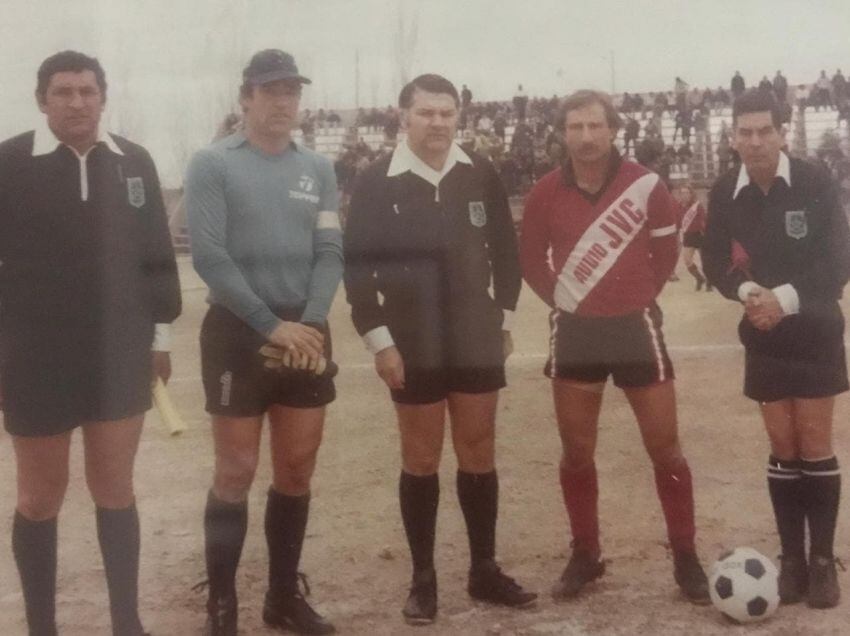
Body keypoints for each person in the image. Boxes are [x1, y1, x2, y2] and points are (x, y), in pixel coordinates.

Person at [344, 73, 536, 625]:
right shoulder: (377, 180)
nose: (437, 123)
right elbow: (357, 272)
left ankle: (483, 568)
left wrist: (503, 318)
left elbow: (505, 248)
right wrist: (380, 342)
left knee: (478, 449)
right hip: (412, 340)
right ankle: (423, 578)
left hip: (475, 335)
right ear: (403, 115)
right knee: (422, 458)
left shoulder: (480, 172)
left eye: (447, 113)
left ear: (459, 116)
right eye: (426, 113)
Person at [0, 50, 181, 636]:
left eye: (86, 91)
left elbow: (158, 258)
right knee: (39, 498)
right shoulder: (8, 162)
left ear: (103, 96)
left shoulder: (135, 161)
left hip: (117, 355)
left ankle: (127, 623)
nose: (77, 102)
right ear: (41, 100)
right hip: (34, 358)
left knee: (114, 488)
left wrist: (160, 334)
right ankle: (41, 629)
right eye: (63, 92)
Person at [520, 89, 710, 604]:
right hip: (576, 331)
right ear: (562, 132)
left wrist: (640, 294)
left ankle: (686, 555)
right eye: (575, 127)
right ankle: (586, 553)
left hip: (635, 329)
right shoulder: (543, 192)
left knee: (665, 448)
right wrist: (561, 299)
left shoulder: (646, 186)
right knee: (577, 452)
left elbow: (668, 249)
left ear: (613, 129)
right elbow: (532, 259)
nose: (585, 136)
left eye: (595, 126)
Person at [186, 49, 342, 636]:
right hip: (237, 329)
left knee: (296, 467)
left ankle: (281, 598)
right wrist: (269, 324)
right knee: (236, 467)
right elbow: (209, 256)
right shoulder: (213, 163)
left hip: (304, 325)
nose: (283, 102)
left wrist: (313, 320)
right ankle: (221, 607)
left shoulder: (318, 169)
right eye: (270, 91)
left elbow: (329, 250)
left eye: (291, 92)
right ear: (245, 97)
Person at [702, 89, 850, 609]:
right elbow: (716, 256)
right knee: (782, 444)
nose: (755, 141)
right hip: (762, 329)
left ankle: (822, 560)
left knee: (813, 442)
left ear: (783, 132)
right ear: (733, 136)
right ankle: (791, 558)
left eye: (765, 130)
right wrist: (746, 293)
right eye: (745, 132)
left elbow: (837, 261)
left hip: (812, 327)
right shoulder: (724, 191)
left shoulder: (814, 182)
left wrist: (782, 299)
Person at [675, 184, 709, 291]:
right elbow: (678, 222)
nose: (685, 195)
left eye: (687, 193)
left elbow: (704, 220)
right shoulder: (679, 206)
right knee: (687, 260)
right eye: (682, 193)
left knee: (705, 261)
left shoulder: (697, 206)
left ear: (691, 194)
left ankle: (709, 282)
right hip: (688, 236)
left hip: (700, 234)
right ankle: (699, 278)